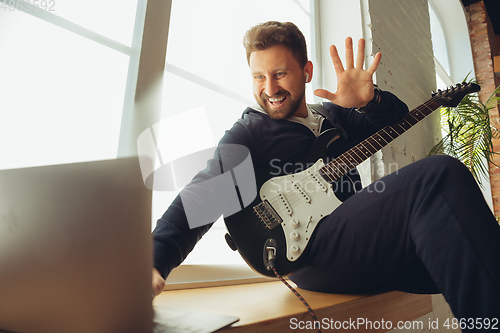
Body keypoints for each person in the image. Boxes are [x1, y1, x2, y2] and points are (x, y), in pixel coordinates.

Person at [152, 21, 500, 326]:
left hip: (356, 243)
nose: (269, 88)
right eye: (259, 77)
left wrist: (370, 101)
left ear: (306, 71)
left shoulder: (333, 117)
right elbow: (204, 194)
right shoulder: (249, 132)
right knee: (437, 175)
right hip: (307, 252)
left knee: (463, 239)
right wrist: (155, 262)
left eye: (280, 74)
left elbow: (395, 120)